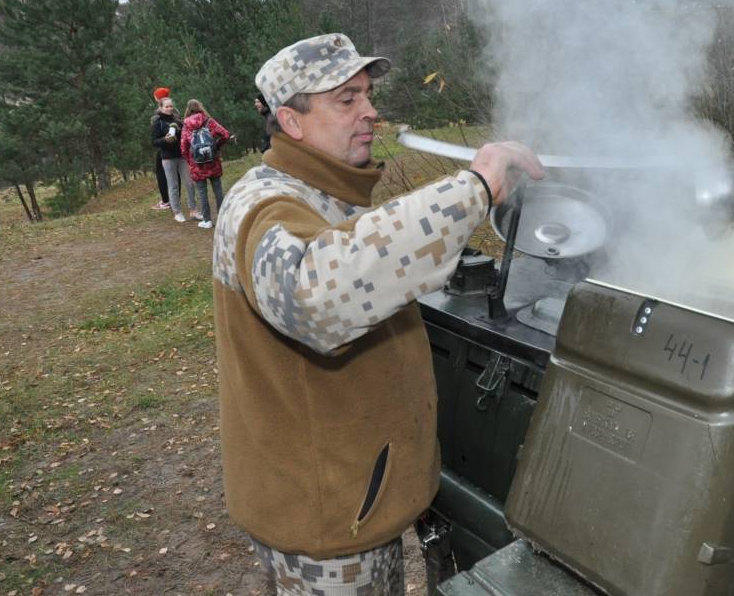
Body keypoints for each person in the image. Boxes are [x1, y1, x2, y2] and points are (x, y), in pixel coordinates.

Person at [212, 33, 544, 595]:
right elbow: (315, 297)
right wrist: (472, 191)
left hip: (354, 500)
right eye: (346, 100)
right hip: (324, 523)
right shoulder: (263, 207)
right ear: (291, 122)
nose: (370, 112)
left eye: (367, 94)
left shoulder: (318, 190)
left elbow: (370, 251)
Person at [180, 99, 231, 229]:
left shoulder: (186, 126)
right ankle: (222, 217)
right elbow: (225, 134)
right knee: (218, 190)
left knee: (202, 192)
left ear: (188, 109)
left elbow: (183, 148)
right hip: (213, 161)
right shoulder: (209, 121)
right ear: (200, 107)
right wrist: (216, 146)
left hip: (197, 165)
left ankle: (207, 220)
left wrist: (191, 160)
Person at [151, 96, 200, 222]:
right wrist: (165, 140)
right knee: (173, 185)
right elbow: (154, 141)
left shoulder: (177, 120)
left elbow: (186, 135)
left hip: (182, 155)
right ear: (161, 108)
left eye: (171, 106)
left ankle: (193, 210)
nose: (169, 109)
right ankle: (177, 212)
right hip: (167, 157)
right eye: (166, 107)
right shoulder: (158, 122)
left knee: (189, 183)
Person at [151, 87, 172, 210]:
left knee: (161, 174)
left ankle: (166, 201)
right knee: (173, 175)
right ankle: (173, 199)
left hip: (163, 148)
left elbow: (155, 135)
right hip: (174, 148)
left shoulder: (157, 115)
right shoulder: (174, 110)